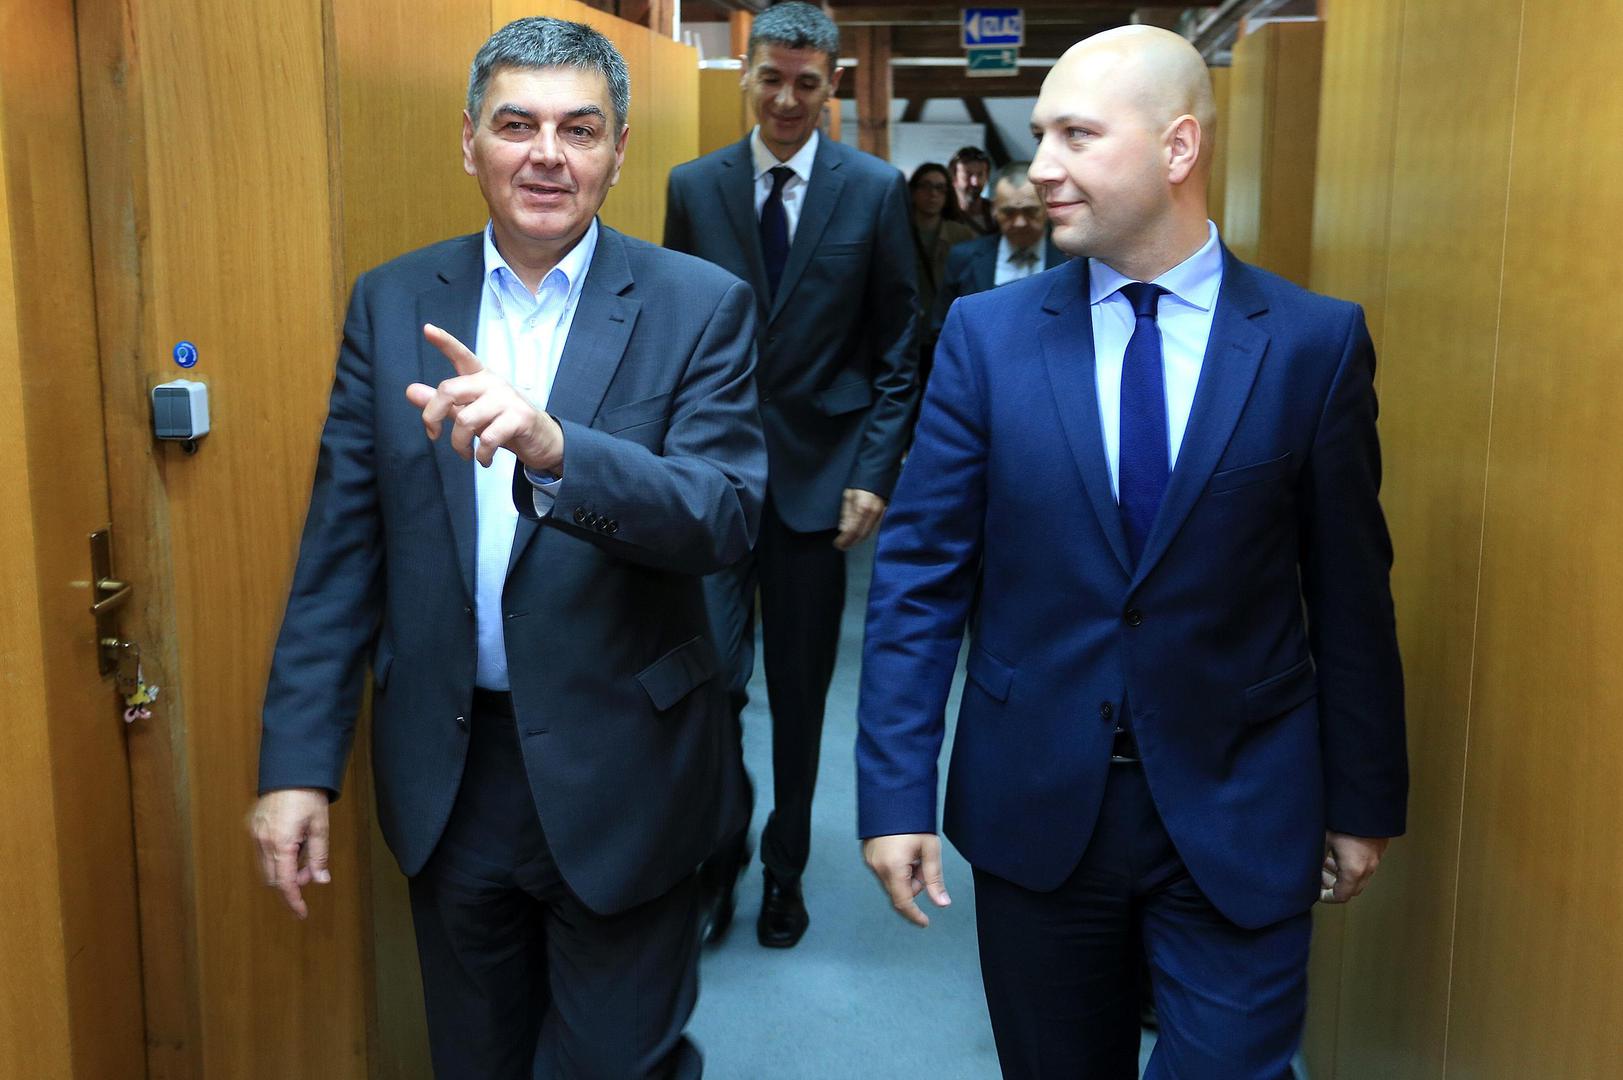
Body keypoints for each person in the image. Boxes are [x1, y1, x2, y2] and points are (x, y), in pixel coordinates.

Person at [857, 25, 1407, 1079]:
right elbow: (919, 582)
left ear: (1177, 147)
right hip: (1036, 802)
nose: (1040, 167)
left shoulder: (1311, 343)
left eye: (1076, 135)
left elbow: (1350, 593)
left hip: (1243, 802)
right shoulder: (986, 337)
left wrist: (1362, 797)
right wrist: (894, 794)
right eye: (1040, 135)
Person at [248, 17, 766, 1078]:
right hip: (451, 769)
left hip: (627, 767)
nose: (547, 155)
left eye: (580, 129)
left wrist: (559, 449)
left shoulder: (697, 305)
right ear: (469, 141)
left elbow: (720, 516)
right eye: (516, 124)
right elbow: (342, 549)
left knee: (617, 1065)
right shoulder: (393, 301)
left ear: (619, 150)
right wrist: (299, 765)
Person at [663, 0, 917, 950]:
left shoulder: (873, 191)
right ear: (746, 74)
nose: (784, 99)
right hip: (711, 482)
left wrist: (874, 470)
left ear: (831, 86)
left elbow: (900, 345)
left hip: (820, 488)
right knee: (714, 685)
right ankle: (717, 853)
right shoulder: (695, 188)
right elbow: (669, 337)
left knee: (800, 695)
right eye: (770, 78)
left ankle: (784, 868)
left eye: (805, 83)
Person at [930, 160, 1069, 343]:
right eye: (1009, 212)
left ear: (1046, 207)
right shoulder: (963, 258)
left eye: (1030, 211)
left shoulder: (1073, 259)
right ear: (994, 209)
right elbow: (943, 328)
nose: (1020, 222)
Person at [908, 162, 978, 388]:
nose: (933, 194)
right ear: (913, 191)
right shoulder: (897, 229)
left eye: (940, 188)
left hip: (944, 327)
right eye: (926, 186)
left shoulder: (961, 234)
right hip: (907, 330)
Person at [947, 145, 996, 235]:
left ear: (987, 177)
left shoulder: (998, 213)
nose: (975, 182)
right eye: (968, 175)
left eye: (980, 174)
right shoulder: (943, 215)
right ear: (953, 178)